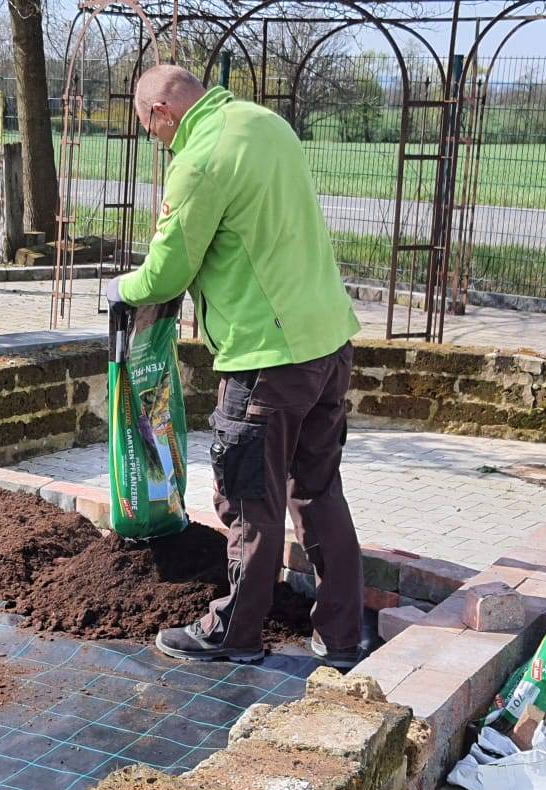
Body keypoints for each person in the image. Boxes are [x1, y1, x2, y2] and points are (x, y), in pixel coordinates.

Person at [105, 64, 375, 669]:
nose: (159, 144)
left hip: (266, 360)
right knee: (318, 490)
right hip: (329, 344)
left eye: (154, 134)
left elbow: (167, 271)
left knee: (250, 499)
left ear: (159, 113)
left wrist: (123, 289)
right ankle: (342, 634)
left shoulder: (200, 157)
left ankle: (236, 632)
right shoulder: (266, 123)